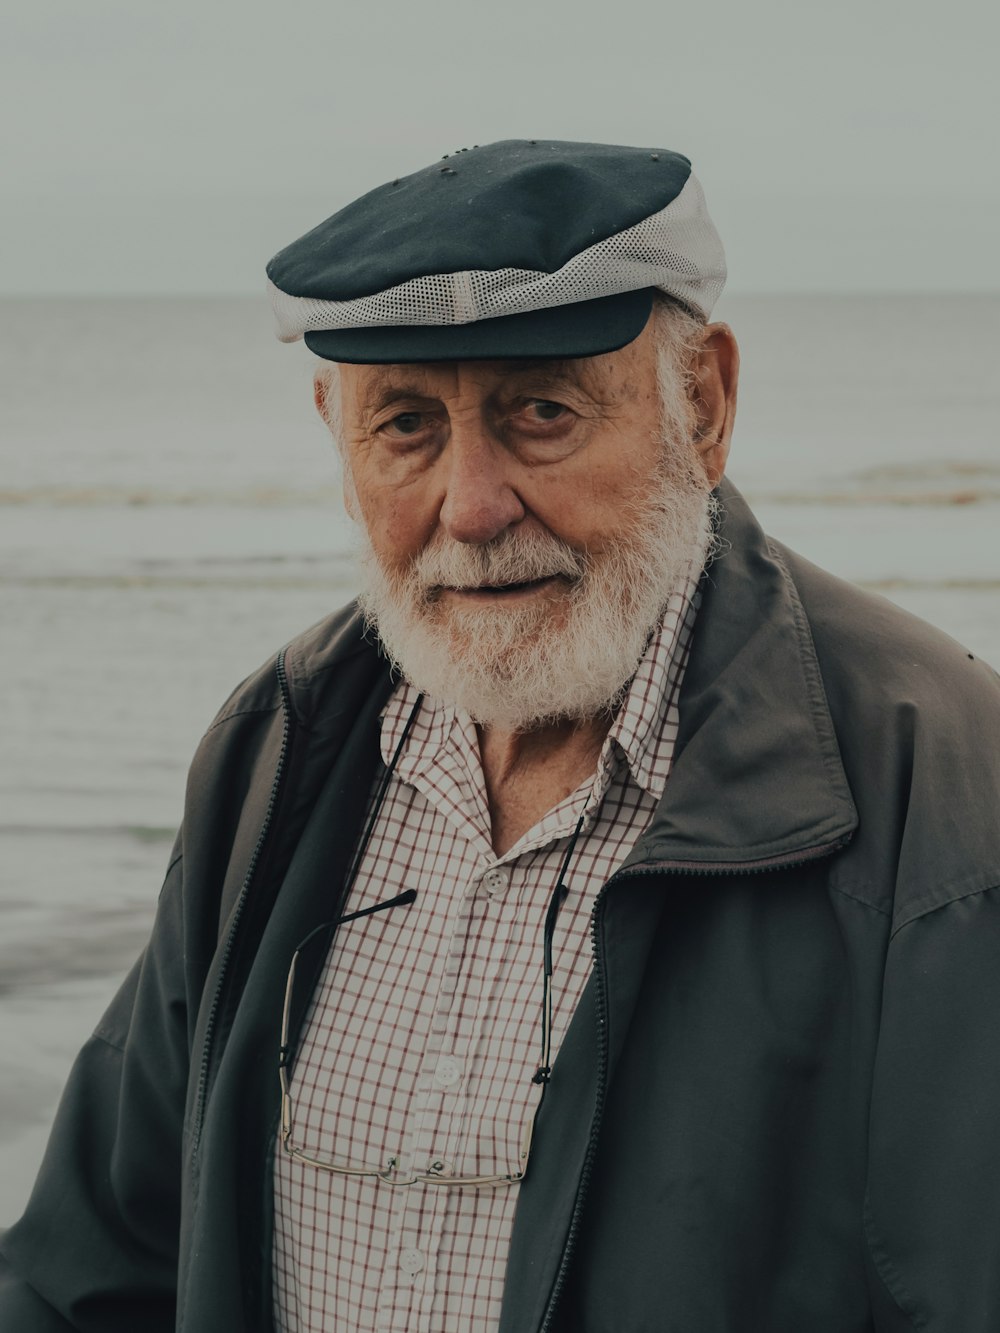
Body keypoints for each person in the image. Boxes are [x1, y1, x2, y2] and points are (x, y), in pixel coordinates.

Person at [2, 139, 999, 1333]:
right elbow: (91, 1269)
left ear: (703, 403)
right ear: (335, 427)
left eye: (541, 411)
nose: (470, 508)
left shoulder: (936, 784)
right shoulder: (276, 749)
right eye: (407, 426)